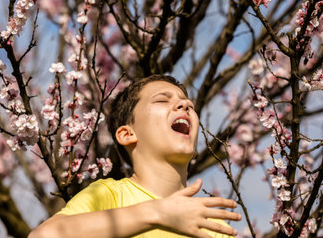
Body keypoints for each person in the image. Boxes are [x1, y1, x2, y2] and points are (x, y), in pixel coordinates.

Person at [29, 75, 242, 238]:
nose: (185, 105)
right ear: (127, 134)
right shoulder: (110, 196)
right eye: (162, 100)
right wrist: (158, 212)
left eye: (190, 105)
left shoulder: (214, 227)